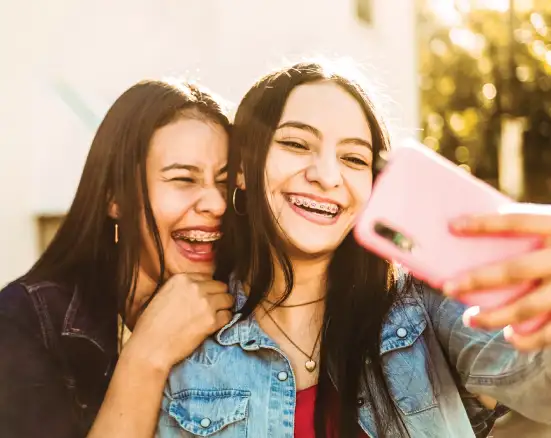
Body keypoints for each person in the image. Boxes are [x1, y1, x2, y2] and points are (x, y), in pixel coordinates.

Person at [157, 62, 551, 438]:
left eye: (353, 158)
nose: (327, 176)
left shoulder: (424, 306)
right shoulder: (189, 344)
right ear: (242, 167)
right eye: (296, 143)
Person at [0, 79, 235, 438]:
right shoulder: (25, 321)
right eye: (184, 179)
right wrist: (146, 358)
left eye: (225, 181)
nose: (216, 204)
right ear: (115, 198)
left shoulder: (250, 312)